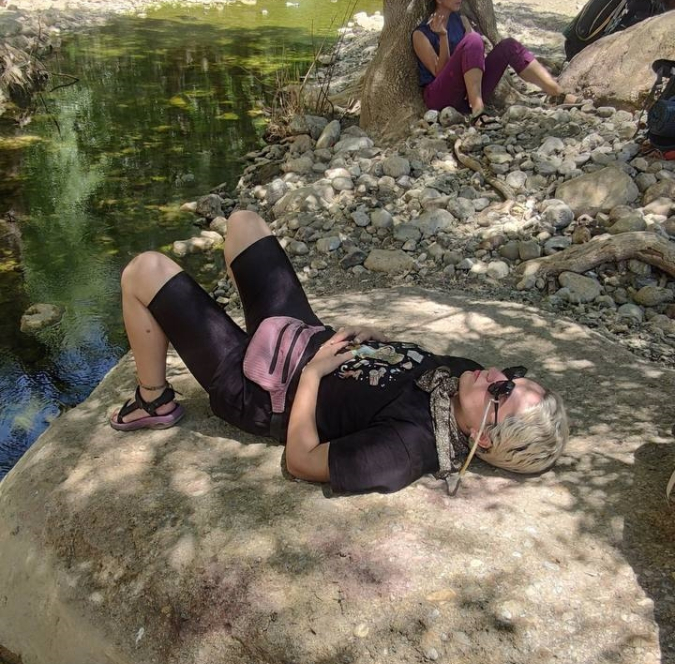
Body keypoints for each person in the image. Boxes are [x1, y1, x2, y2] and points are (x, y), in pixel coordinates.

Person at [111, 210, 568, 496]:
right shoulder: (466, 379)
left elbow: (301, 460)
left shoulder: (403, 450)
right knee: (244, 223)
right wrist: (379, 341)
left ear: (482, 440)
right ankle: (242, 329)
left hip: (259, 390)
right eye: (512, 375)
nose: (495, 374)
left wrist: (312, 376)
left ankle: (153, 400)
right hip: (301, 333)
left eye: (502, 391)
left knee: (144, 270)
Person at [413, 0, 573, 126]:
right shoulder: (421, 34)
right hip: (440, 97)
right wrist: (443, 37)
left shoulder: (462, 21)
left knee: (509, 46)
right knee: (473, 39)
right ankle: (478, 111)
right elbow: (439, 72)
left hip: (466, 95)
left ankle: (558, 93)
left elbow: (473, 56)